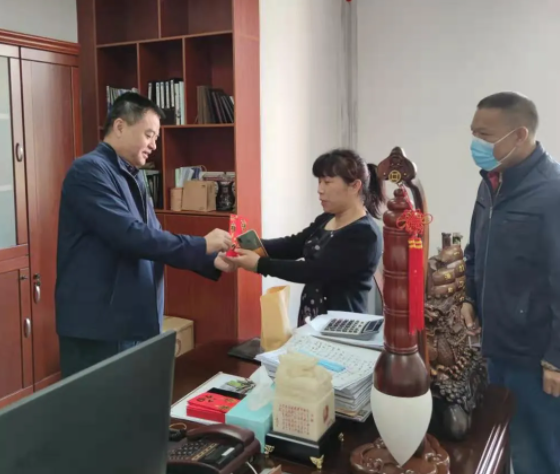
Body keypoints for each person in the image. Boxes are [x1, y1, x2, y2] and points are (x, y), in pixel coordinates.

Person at [55, 92, 234, 378]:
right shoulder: (87, 171)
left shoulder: (135, 174)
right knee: (101, 404)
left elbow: (154, 236)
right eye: (149, 135)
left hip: (135, 321)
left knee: (136, 402)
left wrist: (210, 259)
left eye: (156, 138)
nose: (153, 145)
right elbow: (130, 236)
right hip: (100, 327)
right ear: (120, 126)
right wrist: (201, 244)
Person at [463, 92, 560, 474]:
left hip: (534, 358)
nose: (476, 144)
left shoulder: (552, 192)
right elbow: (474, 250)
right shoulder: (491, 182)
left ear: (520, 135)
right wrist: (469, 297)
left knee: (538, 462)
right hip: (495, 345)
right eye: (474, 133)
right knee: (495, 448)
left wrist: (555, 359)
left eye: (485, 136)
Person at [226, 148, 384, 326]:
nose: (320, 190)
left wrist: (259, 264)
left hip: (342, 328)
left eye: (327, 182)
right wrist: (245, 244)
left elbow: (315, 270)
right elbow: (293, 245)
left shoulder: (365, 234)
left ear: (355, 186)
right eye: (319, 181)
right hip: (311, 322)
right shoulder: (326, 218)